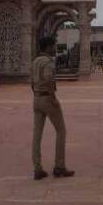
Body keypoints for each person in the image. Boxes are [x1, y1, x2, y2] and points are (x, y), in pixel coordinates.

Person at [32, 36, 73, 180]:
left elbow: (32, 81)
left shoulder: (35, 60)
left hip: (36, 98)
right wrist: (52, 97)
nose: (55, 48)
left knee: (37, 135)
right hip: (47, 98)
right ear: (48, 46)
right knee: (61, 130)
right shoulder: (47, 61)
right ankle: (59, 166)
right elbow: (49, 78)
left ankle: (37, 168)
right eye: (53, 45)